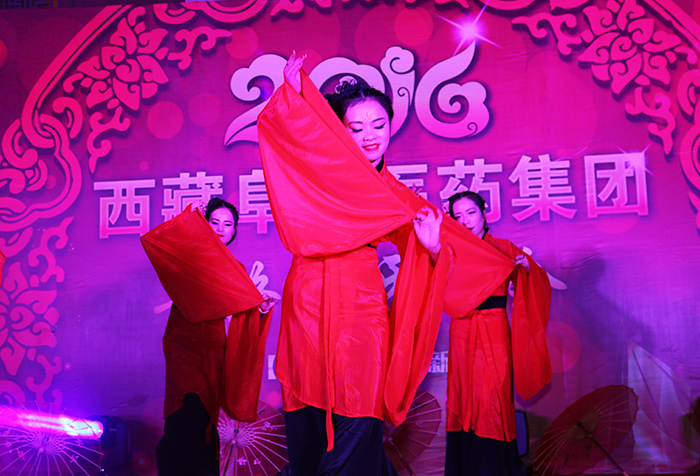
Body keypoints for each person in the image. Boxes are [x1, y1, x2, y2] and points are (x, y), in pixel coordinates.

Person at [256, 51, 454, 476]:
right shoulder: (317, 173)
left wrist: (433, 248)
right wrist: (293, 93)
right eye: (356, 127)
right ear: (339, 131)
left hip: (361, 308)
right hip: (308, 301)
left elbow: (432, 251)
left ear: (391, 127)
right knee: (307, 416)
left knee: (359, 410)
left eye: (379, 125)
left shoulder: (393, 193)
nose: (370, 136)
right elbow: (290, 137)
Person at [143, 197, 276, 476]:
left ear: (234, 230)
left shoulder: (235, 269)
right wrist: (187, 218)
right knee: (186, 410)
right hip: (184, 342)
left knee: (205, 418)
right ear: (204, 224)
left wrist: (261, 308)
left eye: (228, 224)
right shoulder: (188, 255)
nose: (221, 228)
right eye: (214, 222)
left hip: (215, 347)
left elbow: (245, 309)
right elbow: (156, 242)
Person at [444, 191, 552, 476]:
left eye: (471, 213)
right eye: (457, 216)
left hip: (493, 327)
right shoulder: (451, 248)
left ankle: (496, 468)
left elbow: (534, 280)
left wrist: (527, 271)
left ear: (484, 212)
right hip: (462, 328)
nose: (465, 221)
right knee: (462, 393)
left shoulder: (503, 248)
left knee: (493, 394)